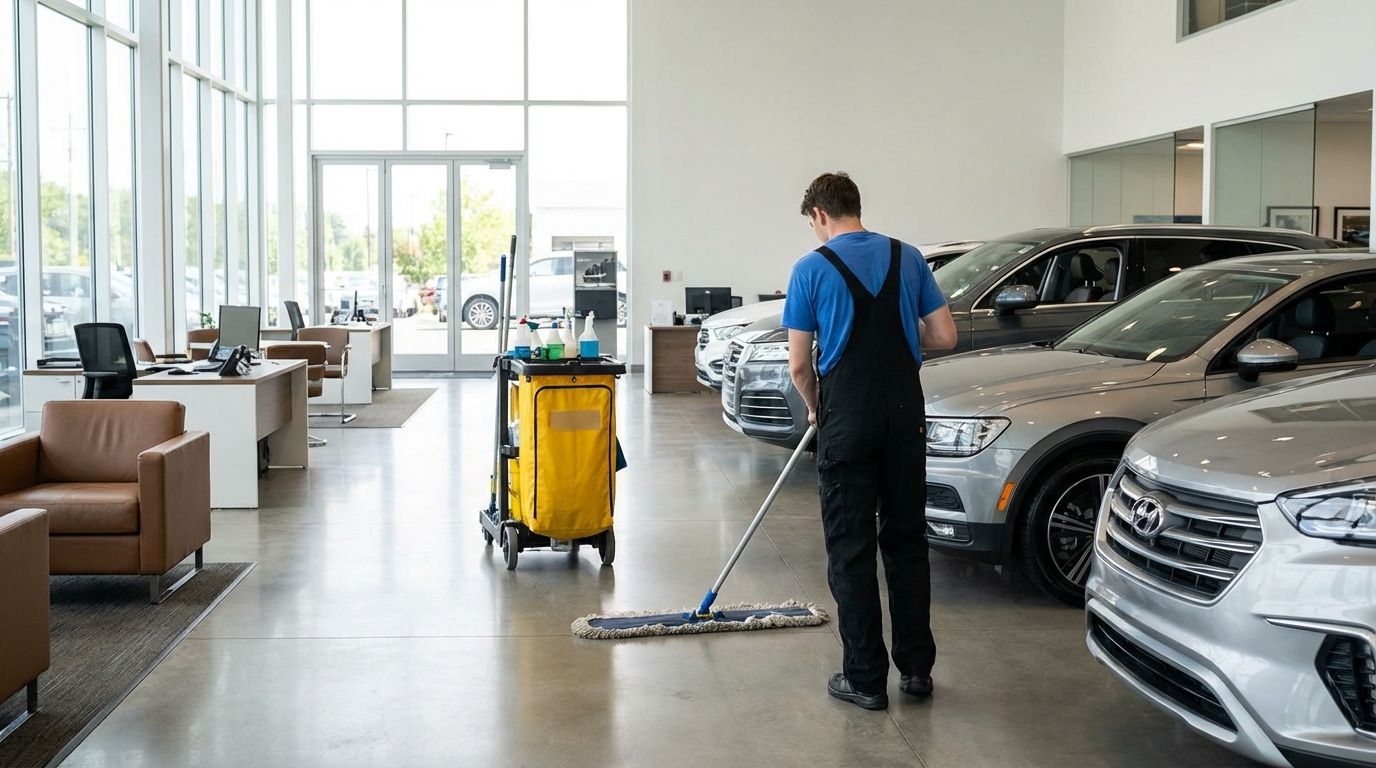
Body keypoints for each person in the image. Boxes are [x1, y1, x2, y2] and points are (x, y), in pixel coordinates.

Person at [781, 172, 957, 711]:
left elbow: (798, 364)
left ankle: (863, 679)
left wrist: (816, 407)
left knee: (851, 549)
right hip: (905, 417)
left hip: (847, 420)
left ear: (819, 215)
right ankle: (917, 672)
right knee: (906, 543)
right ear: (856, 206)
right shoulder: (909, 258)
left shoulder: (811, 268)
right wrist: (907, 330)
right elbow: (944, 336)